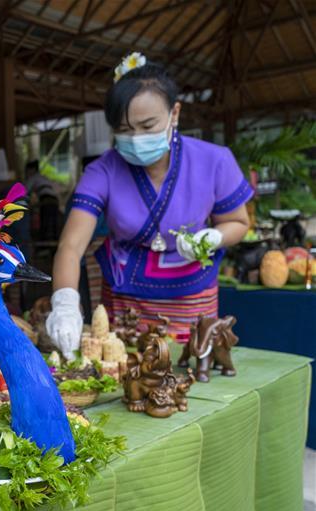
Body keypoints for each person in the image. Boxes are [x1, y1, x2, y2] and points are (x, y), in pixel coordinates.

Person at [46, 54, 251, 357]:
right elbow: (71, 246)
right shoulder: (102, 171)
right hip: (124, 297)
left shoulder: (215, 160)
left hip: (190, 294)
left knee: (188, 370)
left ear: (175, 113)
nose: (136, 138)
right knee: (123, 371)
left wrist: (214, 237)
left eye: (147, 125)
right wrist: (64, 301)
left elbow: (239, 222)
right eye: (125, 129)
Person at [24, 160, 60, 240]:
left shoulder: (33, 177)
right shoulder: (43, 177)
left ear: (32, 169)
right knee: (54, 223)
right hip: (55, 199)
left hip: (46, 198)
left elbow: (25, 191)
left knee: (45, 221)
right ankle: (53, 241)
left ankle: (45, 242)